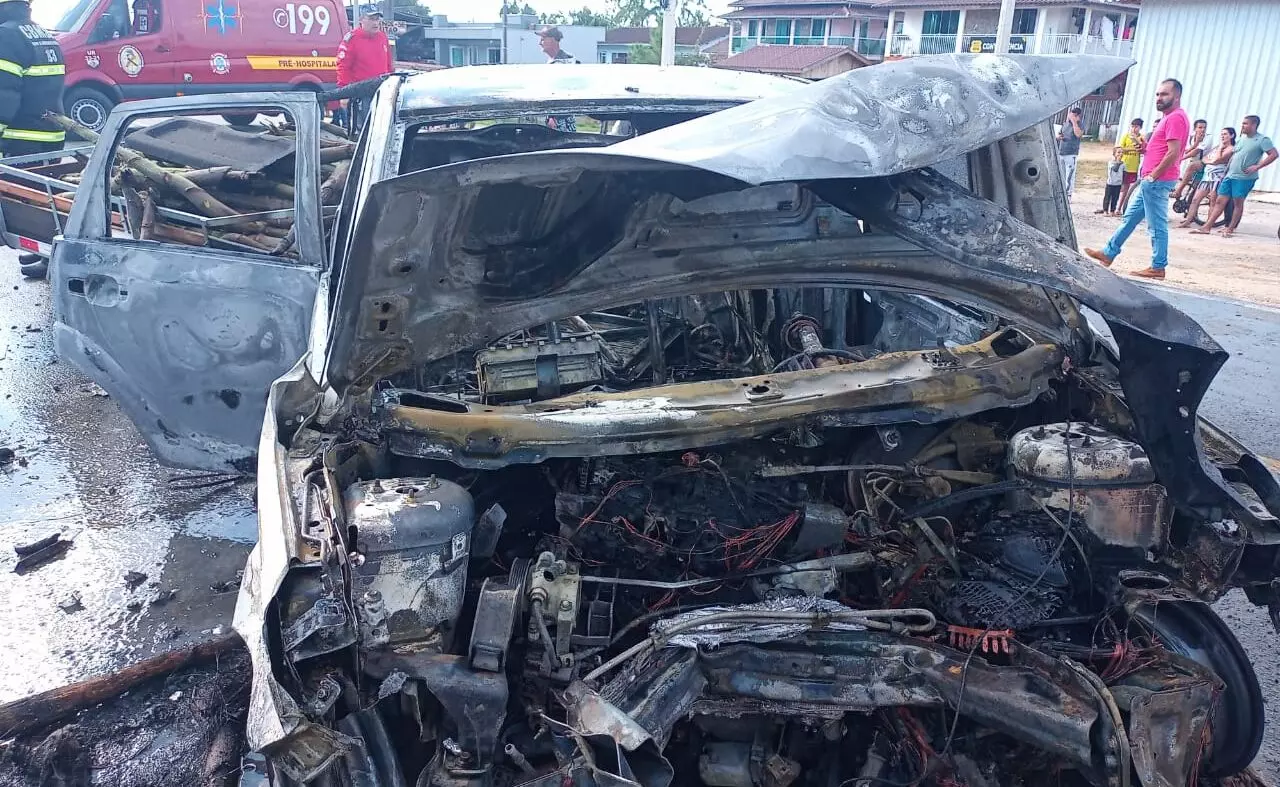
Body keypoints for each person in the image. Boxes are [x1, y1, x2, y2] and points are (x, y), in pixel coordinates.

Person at [1085, 79, 1189, 280]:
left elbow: (1174, 152)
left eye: (1164, 94)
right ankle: (1108, 253)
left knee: (1156, 224)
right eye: (1158, 94)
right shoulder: (1170, 118)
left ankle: (1158, 267)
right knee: (1129, 218)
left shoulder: (1175, 118)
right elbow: (1162, 149)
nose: (1159, 98)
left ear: (1176, 96)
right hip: (1151, 181)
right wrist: (1145, 149)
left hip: (1156, 182)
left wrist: (1153, 175)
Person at [0, 0, 66, 279]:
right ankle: (49, 256)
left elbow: (4, 93)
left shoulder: (6, 36)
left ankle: (51, 258)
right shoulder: (42, 35)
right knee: (46, 200)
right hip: (50, 133)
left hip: (22, 136)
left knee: (26, 203)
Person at [1193, 115, 1277, 238]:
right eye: (1242, 123)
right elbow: (1233, 156)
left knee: (1238, 202)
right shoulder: (1242, 139)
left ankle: (1230, 228)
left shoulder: (1262, 140)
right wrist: (1225, 172)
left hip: (1244, 177)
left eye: (1245, 124)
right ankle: (1207, 227)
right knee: (1219, 201)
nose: (1242, 126)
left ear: (1254, 125)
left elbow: (1274, 154)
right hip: (1230, 175)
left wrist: (1258, 167)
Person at [336, 8, 393, 134]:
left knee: (382, 129)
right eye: (372, 19)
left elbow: (388, 64)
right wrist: (344, 93)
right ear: (361, 20)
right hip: (361, 94)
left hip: (382, 91)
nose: (376, 23)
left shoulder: (382, 37)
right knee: (363, 131)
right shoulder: (352, 39)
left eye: (377, 19)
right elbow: (343, 66)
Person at [1176, 127, 1234, 229]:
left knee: (1213, 201)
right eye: (1222, 134)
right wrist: (1211, 160)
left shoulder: (1230, 149)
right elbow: (1205, 158)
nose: (1223, 136)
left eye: (1225, 134)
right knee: (1195, 200)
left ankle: (1208, 224)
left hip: (1217, 178)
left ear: (1232, 135)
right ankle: (1188, 221)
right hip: (1207, 176)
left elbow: (1218, 159)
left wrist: (1218, 153)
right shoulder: (1217, 147)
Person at [537, 27, 579, 132]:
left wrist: (553, 116)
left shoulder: (564, 63)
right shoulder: (553, 61)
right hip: (554, 117)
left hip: (560, 118)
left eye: (543, 39)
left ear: (552, 40)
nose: (540, 43)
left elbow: (562, 92)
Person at [1171, 118, 1209, 203]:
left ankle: (1179, 191)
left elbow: (1195, 151)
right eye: (1200, 127)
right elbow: (1187, 150)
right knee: (1193, 185)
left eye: (1204, 128)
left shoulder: (1208, 137)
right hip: (1193, 161)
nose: (1202, 130)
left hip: (1204, 162)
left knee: (1192, 168)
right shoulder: (1191, 137)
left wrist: (1181, 159)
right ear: (1195, 129)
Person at [1115, 118, 1145, 213]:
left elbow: (1143, 149)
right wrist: (1133, 149)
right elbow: (1120, 149)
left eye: (1136, 127)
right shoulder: (1126, 136)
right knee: (1119, 187)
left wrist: (1138, 146)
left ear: (1140, 128)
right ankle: (1113, 206)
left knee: (1127, 188)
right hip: (1123, 165)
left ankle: (1119, 208)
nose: (1133, 129)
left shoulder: (1142, 138)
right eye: (1132, 126)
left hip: (1133, 167)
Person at [1056, 107, 1083, 200]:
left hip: (1071, 153)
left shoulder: (1079, 124)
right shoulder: (1065, 124)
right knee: (1061, 174)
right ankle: (1061, 193)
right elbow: (1059, 134)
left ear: (1077, 116)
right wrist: (1059, 137)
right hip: (1061, 152)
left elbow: (1078, 134)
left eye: (1073, 115)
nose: (1070, 116)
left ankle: (1068, 195)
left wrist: (1074, 122)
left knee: (1069, 176)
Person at [1095, 148, 1125, 216]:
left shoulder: (1123, 164)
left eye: (1122, 152)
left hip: (1118, 184)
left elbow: (1124, 174)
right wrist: (1118, 161)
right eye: (1118, 152)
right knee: (1107, 197)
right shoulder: (1111, 163)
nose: (1120, 154)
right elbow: (1115, 169)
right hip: (1110, 183)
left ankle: (1112, 210)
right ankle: (1105, 210)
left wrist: (1123, 184)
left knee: (1115, 198)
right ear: (1114, 154)